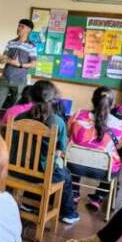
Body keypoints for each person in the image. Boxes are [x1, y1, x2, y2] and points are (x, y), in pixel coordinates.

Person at [13, 80, 78, 224]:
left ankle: (29, 204)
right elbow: (58, 153)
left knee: (41, 167)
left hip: (15, 171)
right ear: (53, 98)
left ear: (30, 95)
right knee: (65, 174)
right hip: (41, 176)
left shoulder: (18, 118)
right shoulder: (58, 122)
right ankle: (68, 213)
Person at [67, 86, 122, 211]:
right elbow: (118, 146)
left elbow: (69, 134)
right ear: (112, 105)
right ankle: (98, 198)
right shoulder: (119, 125)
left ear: (92, 100)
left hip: (72, 165)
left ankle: (74, 192)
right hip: (103, 170)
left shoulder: (77, 115)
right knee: (117, 162)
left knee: (76, 151)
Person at [0, 19, 37, 126]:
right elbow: (2, 60)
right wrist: (3, 60)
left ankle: (11, 128)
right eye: (18, 26)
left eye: (22, 26)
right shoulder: (11, 43)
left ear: (28, 30)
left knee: (16, 107)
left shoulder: (31, 46)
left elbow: (33, 64)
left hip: (19, 81)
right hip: (5, 78)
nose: (18, 28)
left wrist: (19, 64)